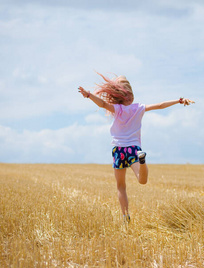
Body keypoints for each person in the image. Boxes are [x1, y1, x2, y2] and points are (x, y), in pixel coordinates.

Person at [78, 73, 194, 222]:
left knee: (121, 186)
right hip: (134, 149)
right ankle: (143, 161)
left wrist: (88, 95)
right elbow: (160, 105)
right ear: (130, 94)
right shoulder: (139, 108)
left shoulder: (118, 109)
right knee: (142, 180)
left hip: (119, 150)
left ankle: (125, 217)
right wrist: (178, 100)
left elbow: (102, 104)